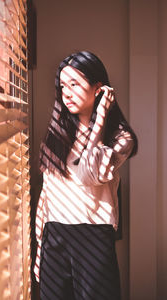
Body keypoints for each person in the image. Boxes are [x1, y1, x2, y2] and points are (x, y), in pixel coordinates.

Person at [34, 51, 138, 300]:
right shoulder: (56, 136)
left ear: (98, 89)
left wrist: (100, 118)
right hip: (54, 236)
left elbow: (88, 175)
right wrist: (40, 247)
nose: (66, 92)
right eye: (62, 85)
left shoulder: (121, 139)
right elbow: (47, 192)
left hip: (93, 237)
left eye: (74, 84)